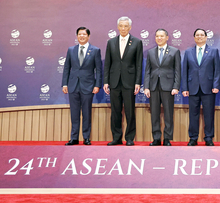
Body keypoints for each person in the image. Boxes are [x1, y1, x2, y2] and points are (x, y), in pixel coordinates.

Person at [103, 16, 143, 146]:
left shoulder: (137, 42)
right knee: (115, 111)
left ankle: (130, 138)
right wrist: (106, 81)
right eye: (121, 26)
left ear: (130, 27)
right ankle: (116, 138)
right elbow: (108, 63)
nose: (123, 28)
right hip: (114, 81)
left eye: (126, 26)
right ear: (118, 27)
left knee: (130, 111)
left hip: (129, 82)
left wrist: (138, 82)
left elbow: (138, 64)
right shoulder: (111, 42)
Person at [61, 27, 102, 146]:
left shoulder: (95, 50)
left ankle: (86, 137)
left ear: (88, 36)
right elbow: (67, 68)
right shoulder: (71, 50)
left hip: (88, 86)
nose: (82, 36)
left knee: (86, 113)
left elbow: (98, 70)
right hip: (73, 86)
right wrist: (65, 83)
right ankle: (74, 138)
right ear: (77, 36)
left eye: (84, 34)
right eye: (80, 34)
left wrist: (97, 85)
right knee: (74, 113)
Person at [182, 29, 220, 146]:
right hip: (192, 88)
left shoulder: (213, 51)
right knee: (193, 114)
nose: (199, 37)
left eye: (202, 35)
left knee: (209, 114)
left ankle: (208, 137)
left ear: (206, 37)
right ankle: (193, 138)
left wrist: (215, 85)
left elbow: (217, 70)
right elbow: (185, 71)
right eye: (197, 35)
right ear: (194, 37)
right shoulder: (188, 52)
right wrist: (185, 88)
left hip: (208, 88)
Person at [144, 29, 180, 146]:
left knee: (168, 114)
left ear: (167, 37)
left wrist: (176, 86)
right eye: (157, 36)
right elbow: (148, 70)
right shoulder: (150, 52)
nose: (159, 38)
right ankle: (156, 138)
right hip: (154, 86)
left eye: (161, 36)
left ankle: (167, 138)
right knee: (154, 113)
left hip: (168, 87)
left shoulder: (174, 51)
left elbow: (177, 71)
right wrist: (146, 87)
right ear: (155, 38)